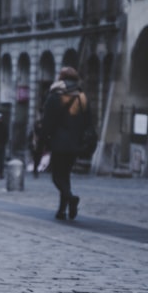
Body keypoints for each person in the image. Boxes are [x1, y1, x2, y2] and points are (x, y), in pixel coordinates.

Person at [40, 66, 90, 220]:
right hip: (74, 143)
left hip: (58, 142)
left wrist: (44, 139)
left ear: (61, 78)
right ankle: (62, 210)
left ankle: (70, 198)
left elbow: (47, 121)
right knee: (65, 175)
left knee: (57, 176)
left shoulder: (55, 95)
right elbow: (87, 121)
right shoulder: (81, 97)